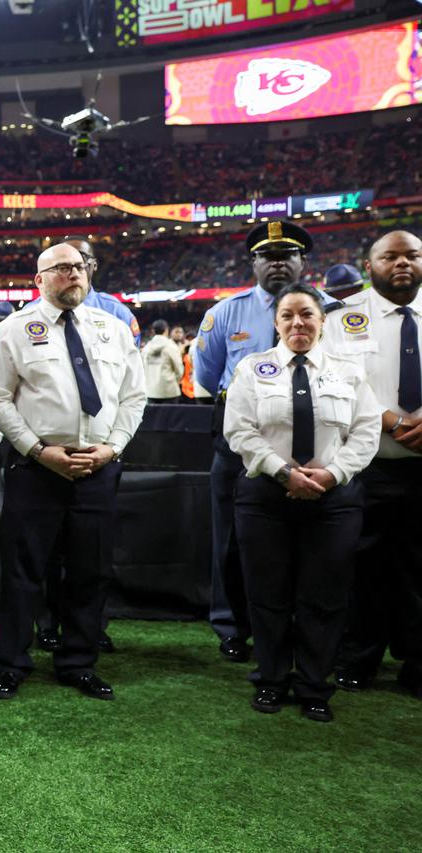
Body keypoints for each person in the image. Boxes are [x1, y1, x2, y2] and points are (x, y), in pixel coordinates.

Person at [0, 242, 145, 701]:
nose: (72, 274)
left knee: (90, 571)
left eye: (78, 267)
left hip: (98, 467)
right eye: (60, 269)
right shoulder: (13, 330)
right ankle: (12, 662)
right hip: (36, 469)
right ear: (39, 280)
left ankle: (78, 661)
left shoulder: (114, 329)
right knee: (22, 571)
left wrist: (112, 448)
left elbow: (134, 398)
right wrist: (37, 449)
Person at [224, 282, 379, 722]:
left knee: (324, 596)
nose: (298, 323)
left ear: (322, 321)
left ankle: (314, 685)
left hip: (334, 500)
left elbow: (366, 431)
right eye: (288, 315)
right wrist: (283, 472)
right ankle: (271, 680)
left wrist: (332, 474)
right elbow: (239, 430)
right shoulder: (252, 369)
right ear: (275, 323)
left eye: (307, 314)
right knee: (267, 595)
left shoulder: (349, 371)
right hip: (265, 497)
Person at [193, 220, 339, 664]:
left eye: (286, 255)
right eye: (267, 256)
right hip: (239, 441)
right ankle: (231, 626)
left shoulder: (332, 310)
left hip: (314, 442)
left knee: (315, 542)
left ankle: (303, 630)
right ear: (253, 261)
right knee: (231, 538)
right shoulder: (224, 312)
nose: (277, 263)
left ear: (303, 261)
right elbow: (206, 376)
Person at [323, 231, 422, 699]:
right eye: (390, 256)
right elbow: (338, 382)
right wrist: (391, 421)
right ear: (370, 265)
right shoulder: (343, 318)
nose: (402, 263)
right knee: (365, 567)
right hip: (372, 464)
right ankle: (359, 658)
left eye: (412, 255)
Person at [142, 319, 184, 403]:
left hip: (150, 391)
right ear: (166, 330)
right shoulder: (171, 346)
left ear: (153, 331)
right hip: (169, 391)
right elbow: (179, 368)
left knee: (152, 416)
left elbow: (142, 368)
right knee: (170, 416)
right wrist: (175, 381)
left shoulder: (146, 348)